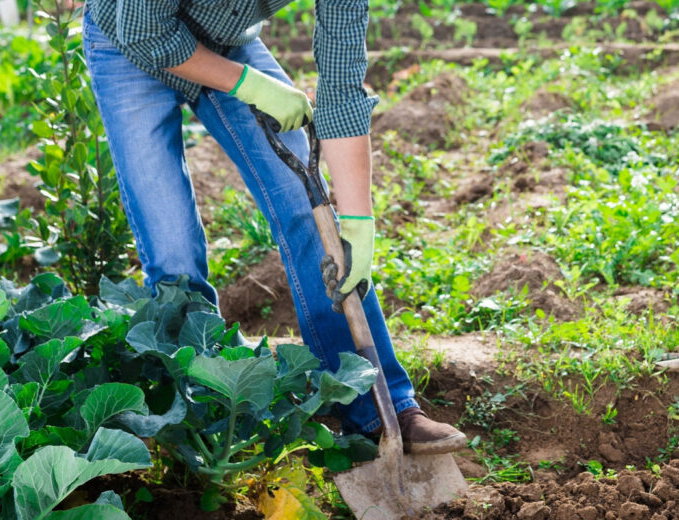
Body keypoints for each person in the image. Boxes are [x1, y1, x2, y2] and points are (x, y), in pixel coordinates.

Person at [81, 0, 466, 454]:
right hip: (127, 41)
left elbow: (342, 92)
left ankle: (380, 409)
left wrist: (359, 221)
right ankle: (208, 423)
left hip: (226, 39)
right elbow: (146, 31)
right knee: (173, 252)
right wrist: (245, 83)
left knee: (306, 211)